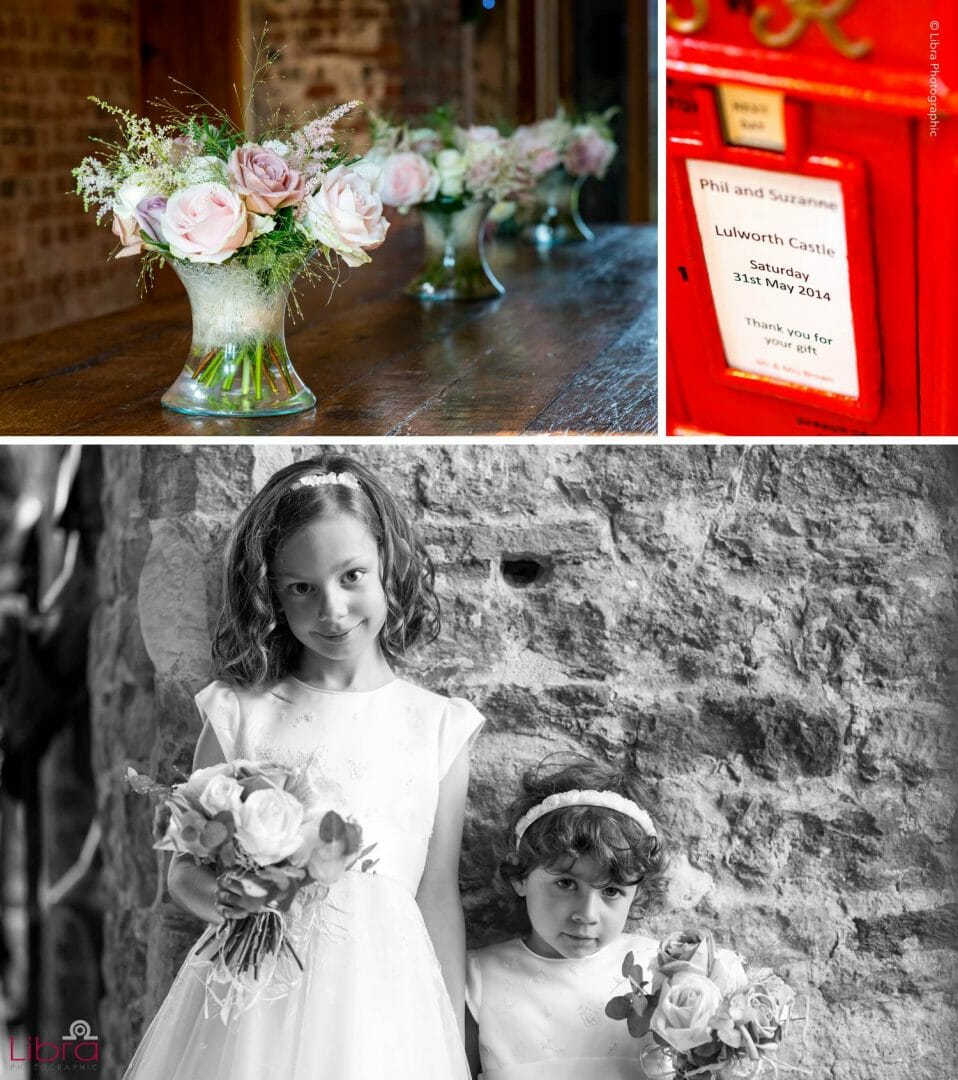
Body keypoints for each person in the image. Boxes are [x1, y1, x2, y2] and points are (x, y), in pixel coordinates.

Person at [124, 454, 483, 1080]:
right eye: (302, 588)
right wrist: (224, 899)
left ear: (388, 567)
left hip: (384, 1005)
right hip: (255, 1004)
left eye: (352, 576)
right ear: (273, 594)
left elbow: (437, 899)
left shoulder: (437, 726)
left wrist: (450, 1043)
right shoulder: (240, 712)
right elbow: (184, 870)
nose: (332, 608)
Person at [466, 757, 667, 1080]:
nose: (586, 915)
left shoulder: (661, 971)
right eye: (565, 884)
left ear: (637, 894)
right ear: (520, 876)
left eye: (612, 891)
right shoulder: (479, 979)